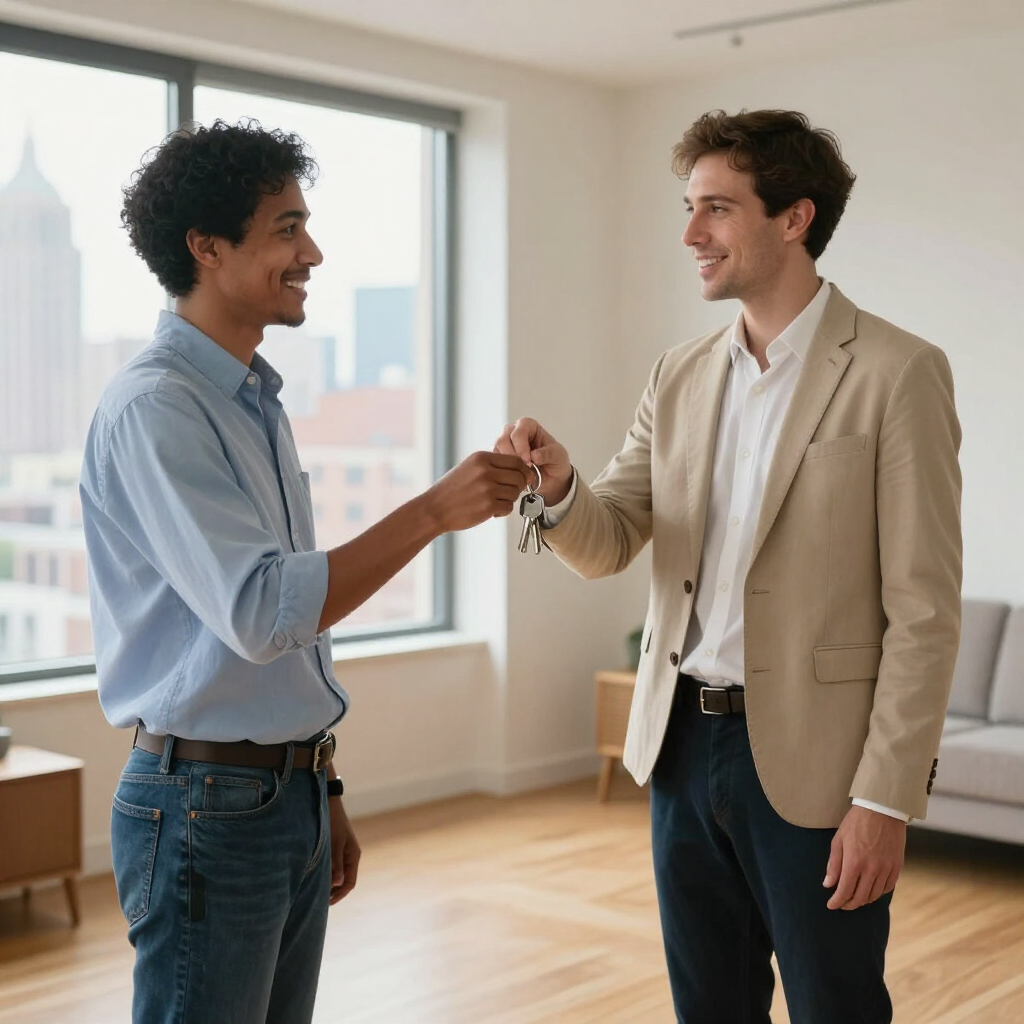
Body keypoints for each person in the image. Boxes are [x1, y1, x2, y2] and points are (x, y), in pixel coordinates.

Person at [496, 109, 962, 1023]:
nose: (690, 235)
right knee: (709, 1005)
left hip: (820, 766)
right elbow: (612, 538)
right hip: (680, 747)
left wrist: (885, 801)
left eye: (715, 209)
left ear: (794, 218)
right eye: (687, 207)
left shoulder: (898, 372)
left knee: (837, 1006)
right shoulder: (680, 373)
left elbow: (925, 614)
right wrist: (558, 489)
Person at [80, 119, 528, 1024]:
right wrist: (436, 512)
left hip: (273, 795)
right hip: (205, 810)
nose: (312, 251)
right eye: (286, 228)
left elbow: (283, 640)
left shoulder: (254, 398)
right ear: (207, 248)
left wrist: (318, 786)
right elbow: (263, 610)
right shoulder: (159, 407)